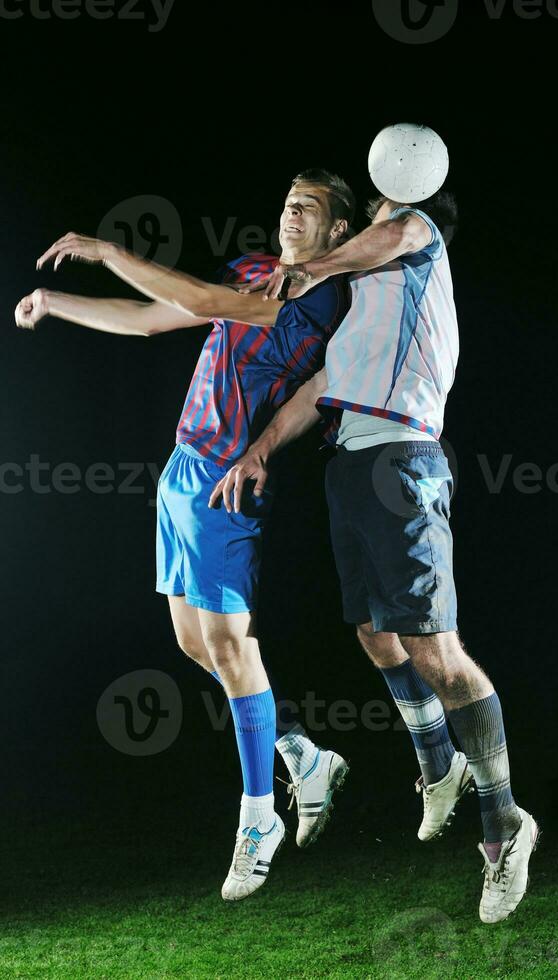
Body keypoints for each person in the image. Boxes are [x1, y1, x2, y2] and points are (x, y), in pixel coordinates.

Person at [15, 169, 355, 902]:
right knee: (194, 645)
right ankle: (302, 751)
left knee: (230, 647)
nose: (290, 213)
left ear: (335, 234)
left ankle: (258, 816)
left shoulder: (317, 295)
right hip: (181, 473)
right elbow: (153, 318)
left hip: (227, 484)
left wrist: (107, 248)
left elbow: (200, 301)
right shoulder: (256, 272)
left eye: (308, 208)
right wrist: (56, 302)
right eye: (287, 201)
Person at [211, 188, 540, 924]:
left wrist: (304, 270)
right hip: (350, 464)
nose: (375, 218)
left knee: (435, 649)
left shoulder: (419, 237)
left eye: (384, 209)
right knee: (373, 631)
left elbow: (373, 240)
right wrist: (261, 447)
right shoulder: (364, 298)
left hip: (402, 460)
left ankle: (504, 826)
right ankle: (439, 768)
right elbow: (321, 385)